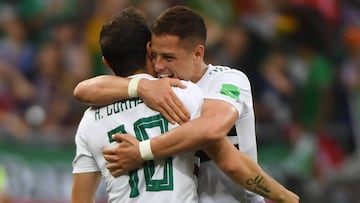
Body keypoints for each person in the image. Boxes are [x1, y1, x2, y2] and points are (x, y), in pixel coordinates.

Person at [74, 6, 299, 203]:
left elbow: (210, 130)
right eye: (155, 56)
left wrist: (142, 151)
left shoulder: (227, 80)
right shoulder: (166, 91)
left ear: (198, 54)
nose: (159, 66)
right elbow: (83, 89)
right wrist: (141, 86)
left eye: (169, 58)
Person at [71, 7, 203, 203]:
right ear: (150, 49)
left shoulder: (89, 121)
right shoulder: (184, 93)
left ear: (106, 63)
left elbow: (80, 200)